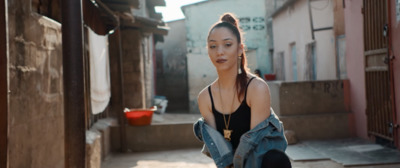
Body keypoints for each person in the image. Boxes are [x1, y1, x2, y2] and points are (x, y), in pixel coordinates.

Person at [193, 13, 288, 168]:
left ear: (239, 49)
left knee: (276, 160)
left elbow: (255, 151)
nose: (220, 52)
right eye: (213, 46)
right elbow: (222, 156)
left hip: (259, 164)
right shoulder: (205, 97)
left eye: (227, 44)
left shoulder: (256, 88)